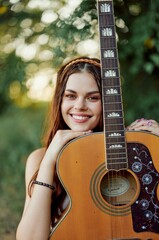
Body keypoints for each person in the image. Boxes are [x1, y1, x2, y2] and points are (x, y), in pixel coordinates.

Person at [16, 56, 103, 240]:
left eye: (93, 97)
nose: (80, 106)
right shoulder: (39, 158)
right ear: (60, 101)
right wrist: (50, 158)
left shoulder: (128, 153)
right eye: (71, 96)